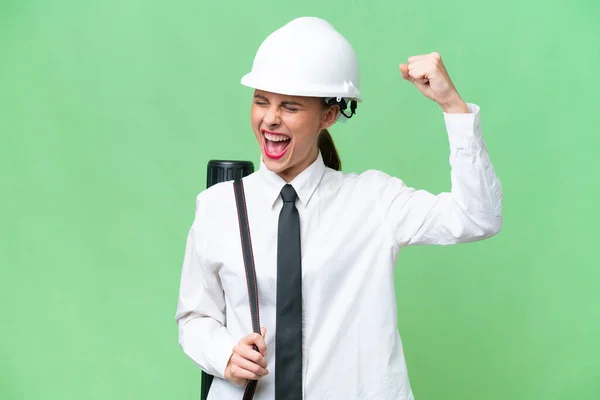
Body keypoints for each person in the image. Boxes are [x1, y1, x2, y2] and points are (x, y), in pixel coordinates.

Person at [175, 16, 502, 400]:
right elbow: (194, 318)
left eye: (291, 106)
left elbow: (477, 217)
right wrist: (224, 354)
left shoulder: (374, 201)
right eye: (261, 101)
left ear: (328, 116)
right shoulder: (219, 206)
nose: (270, 119)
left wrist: (452, 105)